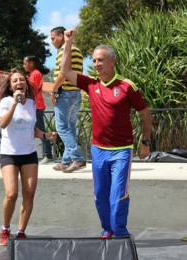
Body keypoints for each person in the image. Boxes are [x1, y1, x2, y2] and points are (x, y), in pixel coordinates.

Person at [61, 29, 153, 238]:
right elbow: (66, 72)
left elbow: (145, 114)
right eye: (93, 61)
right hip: (98, 150)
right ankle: (107, 229)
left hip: (122, 150)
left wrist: (145, 142)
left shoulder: (127, 86)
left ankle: (120, 233)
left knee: (118, 195)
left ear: (113, 61)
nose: (96, 64)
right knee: (101, 195)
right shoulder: (90, 84)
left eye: (100, 60)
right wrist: (68, 43)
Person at [0, 69, 57, 246]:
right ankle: (5, 229)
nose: (18, 83)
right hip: (9, 154)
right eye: (14, 81)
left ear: (25, 83)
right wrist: (15, 104)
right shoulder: (6, 102)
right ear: (10, 85)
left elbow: (32, 129)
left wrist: (45, 136)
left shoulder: (31, 103)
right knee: (11, 194)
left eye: (21, 80)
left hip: (29, 154)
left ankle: (21, 231)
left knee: (29, 193)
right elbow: (2, 123)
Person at [49, 26, 86, 173]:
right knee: (70, 128)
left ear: (60, 36)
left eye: (53, 38)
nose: (52, 42)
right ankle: (66, 161)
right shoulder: (76, 50)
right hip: (76, 93)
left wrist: (53, 90)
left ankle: (77, 158)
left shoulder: (65, 50)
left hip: (65, 94)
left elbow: (63, 73)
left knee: (62, 128)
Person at [23, 55, 54, 164]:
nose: (24, 66)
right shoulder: (32, 74)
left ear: (31, 63)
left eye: (25, 63)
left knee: (40, 130)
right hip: (34, 106)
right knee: (34, 130)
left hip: (37, 106)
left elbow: (32, 90)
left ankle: (48, 155)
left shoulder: (35, 74)